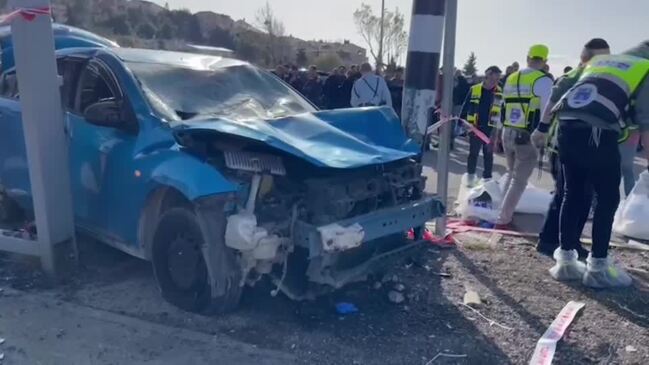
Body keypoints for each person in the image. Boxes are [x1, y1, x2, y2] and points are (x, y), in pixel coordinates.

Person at [531, 40, 649, 288]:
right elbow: (645, 120)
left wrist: (542, 128)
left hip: (566, 127)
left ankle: (565, 263)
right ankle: (598, 267)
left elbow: (561, 87)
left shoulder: (601, 62)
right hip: (597, 130)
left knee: (572, 194)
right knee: (607, 199)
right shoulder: (644, 67)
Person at [535, 38, 611, 260]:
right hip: (564, 146)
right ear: (585, 59)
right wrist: (540, 130)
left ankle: (564, 241)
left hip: (583, 145)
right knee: (570, 196)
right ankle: (553, 242)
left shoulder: (597, 79)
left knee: (579, 196)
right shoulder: (573, 79)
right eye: (600, 58)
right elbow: (550, 107)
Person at [495, 44, 553, 228]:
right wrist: (546, 134)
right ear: (544, 61)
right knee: (519, 180)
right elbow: (547, 109)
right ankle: (503, 218)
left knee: (511, 174)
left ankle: (501, 211)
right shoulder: (543, 80)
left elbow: (502, 106)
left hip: (507, 131)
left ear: (527, 57)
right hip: (527, 135)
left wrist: (497, 133)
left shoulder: (512, 77)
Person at [461, 66, 503, 185]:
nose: (496, 80)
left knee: (488, 155)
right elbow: (466, 105)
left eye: (498, 78)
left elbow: (502, 112)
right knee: (473, 154)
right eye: (495, 77)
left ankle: (487, 180)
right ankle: (470, 178)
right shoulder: (474, 89)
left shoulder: (499, 91)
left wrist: (499, 132)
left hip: (491, 129)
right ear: (488, 75)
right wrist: (462, 122)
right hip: (475, 127)